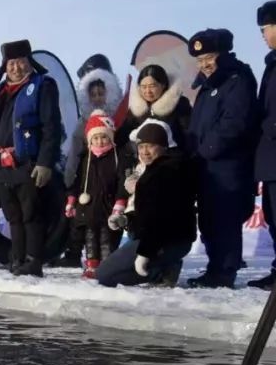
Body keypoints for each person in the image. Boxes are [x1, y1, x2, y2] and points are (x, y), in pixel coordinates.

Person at [0, 39, 63, 277]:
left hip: (29, 163)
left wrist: (46, 162)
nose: (16, 68)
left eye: (21, 62)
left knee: (31, 214)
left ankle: (33, 261)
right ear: (5, 66)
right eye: (11, 63)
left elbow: (51, 127)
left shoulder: (43, 86)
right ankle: (16, 260)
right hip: (1, 165)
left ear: (30, 63)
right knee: (13, 216)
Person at [186, 28, 259, 288]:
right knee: (209, 221)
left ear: (223, 54)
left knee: (225, 220)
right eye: (199, 60)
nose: (204, 64)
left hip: (228, 167)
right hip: (206, 168)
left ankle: (224, 273)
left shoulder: (237, 79)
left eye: (209, 57)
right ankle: (214, 269)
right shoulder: (207, 86)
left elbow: (234, 124)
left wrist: (204, 150)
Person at [96, 120, 197, 287]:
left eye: (151, 146)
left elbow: (161, 220)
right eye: (141, 147)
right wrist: (126, 219)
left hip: (170, 240)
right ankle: (165, 266)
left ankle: (162, 270)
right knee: (106, 273)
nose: (145, 152)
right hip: (159, 239)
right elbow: (148, 213)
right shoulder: (152, 170)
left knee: (104, 277)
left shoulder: (169, 172)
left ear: (164, 147)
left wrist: (145, 253)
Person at [65, 111, 134, 278]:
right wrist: (71, 200)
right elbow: (78, 182)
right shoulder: (85, 158)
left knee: (106, 238)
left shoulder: (118, 157)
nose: (100, 141)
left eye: (103, 137)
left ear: (110, 137)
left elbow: (122, 182)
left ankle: (107, 265)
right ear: (90, 139)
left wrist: (120, 202)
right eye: (95, 138)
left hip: (108, 206)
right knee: (90, 237)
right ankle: (91, 264)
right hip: (88, 207)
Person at [249, 0, 276, 290]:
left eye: (265, 28)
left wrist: (268, 126)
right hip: (269, 158)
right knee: (273, 216)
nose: (263, 34)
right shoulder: (272, 63)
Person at [115, 64, 193, 153]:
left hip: (174, 159)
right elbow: (122, 136)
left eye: (152, 86)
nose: (147, 91)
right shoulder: (136, 109)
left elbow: (189, 134)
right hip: (145, 159)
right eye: (143, 87)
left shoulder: (179, 105)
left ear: (163, 85)